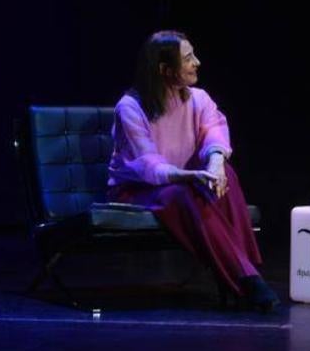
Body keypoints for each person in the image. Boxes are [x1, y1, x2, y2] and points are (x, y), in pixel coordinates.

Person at [107, 30, 278, 311]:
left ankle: (244, 271)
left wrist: (215, 162)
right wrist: (190, 176)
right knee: (184, 194)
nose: (197, 62)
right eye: (188, 58)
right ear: (165, 69)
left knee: (227, 175)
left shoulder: (198, 98)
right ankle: (245, 276)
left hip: (181, 185)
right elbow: (149, 166)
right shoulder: (131, 107)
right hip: (136, 192)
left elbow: (214, 132)